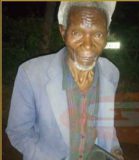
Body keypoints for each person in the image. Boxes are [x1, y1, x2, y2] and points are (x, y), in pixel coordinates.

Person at [6, 2, 124, 160]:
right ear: (63, 32)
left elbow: (106, 125)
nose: (88, 45)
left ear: (106, 35)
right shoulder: (31, 74)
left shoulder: (111, 73)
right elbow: (18, 133)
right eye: (77, 33)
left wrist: (115, 151)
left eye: (97, 34)